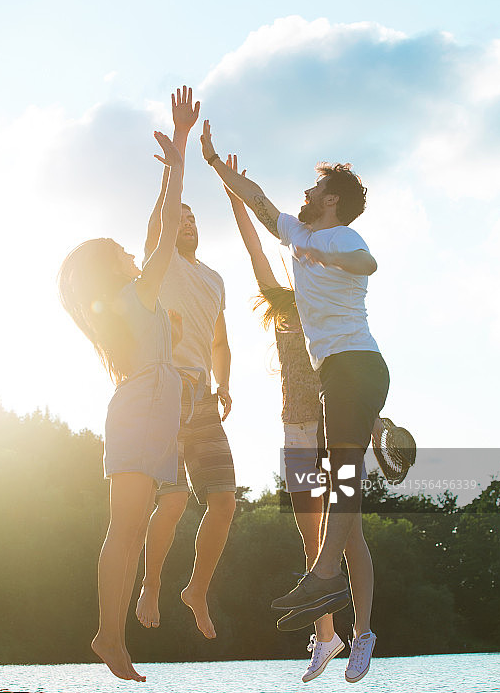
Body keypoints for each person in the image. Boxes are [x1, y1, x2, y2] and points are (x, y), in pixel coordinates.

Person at [201, 121, 389, 682]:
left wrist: (328, 258)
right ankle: (344, 623)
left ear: (331, 201)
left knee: (345, 483)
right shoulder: (298, 236)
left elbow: (368, 265)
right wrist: (214, 162)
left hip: (357, 366)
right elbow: (258, 201)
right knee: (343, 509)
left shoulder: (340, 240)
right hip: (337, 376)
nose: (303, 197)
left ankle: (327, 577)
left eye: (312, 191)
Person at [57, 126, 185, 682]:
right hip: (142, 409)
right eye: (122, 251)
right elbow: (167, 231)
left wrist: (165, 174)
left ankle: (115, 630)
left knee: (142, 522)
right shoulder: (137, 294)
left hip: (155, 409)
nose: (133, 252)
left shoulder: (133, 302)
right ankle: (110, 636)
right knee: (126, 527)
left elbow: (157, 227)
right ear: (114, 268)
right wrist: (178, 163)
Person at [135, 88, 236, 641]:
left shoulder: (215, 280)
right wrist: (175, 158)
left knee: (223, 500)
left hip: (204, 397)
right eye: (183, 217)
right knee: (172, 501)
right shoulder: (164, 258)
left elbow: (222, 342)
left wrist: (225, 385)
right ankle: (151, 584)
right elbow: (161, 223)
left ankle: (194, 588)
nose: (188, 223)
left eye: (196, 218)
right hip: (168, 391)